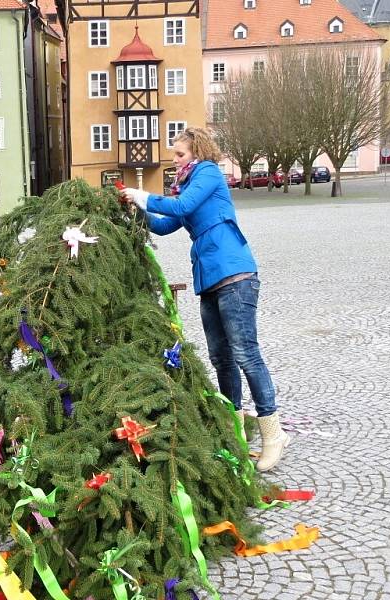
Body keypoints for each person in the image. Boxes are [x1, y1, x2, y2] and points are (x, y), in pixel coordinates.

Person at [121, 127, 289, 472]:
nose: (175, 161)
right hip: (209, 279)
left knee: (245, 353)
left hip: (235, 275)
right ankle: (235, 428)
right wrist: (135, 210)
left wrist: (142, 195)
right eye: (174, 157)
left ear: (196, 151)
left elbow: (181, 206)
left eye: (180, 155)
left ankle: (273, 432)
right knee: (221, 358)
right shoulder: (187, 185)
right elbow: (166, 225)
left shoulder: (208, 174)